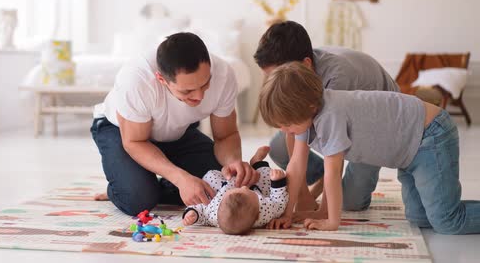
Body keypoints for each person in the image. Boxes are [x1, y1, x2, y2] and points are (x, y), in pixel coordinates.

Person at [259, 62, 480, 234]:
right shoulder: (308, 115)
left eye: (287, 124)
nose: (286, 130)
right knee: (419, 219)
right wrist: (288, 213)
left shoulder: (330, 115)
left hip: (429, 136)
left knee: (447, 221)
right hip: (408, 152)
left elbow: (333, 173)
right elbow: (297, 166)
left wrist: (332, 220)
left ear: (308, 107)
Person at [91, 32, 259, 216]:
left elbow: (225, 135)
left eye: (205, 84)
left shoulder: (224, 74)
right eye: (187, 91)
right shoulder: (136, 80)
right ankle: (125, 189)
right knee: (138, 200)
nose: (199, 96)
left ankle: (149, 185)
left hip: (178, 131)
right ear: (162, 80)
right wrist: (181, 179)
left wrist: (232, 162)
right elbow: (135, 142)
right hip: (123, 133)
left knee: (218, 181)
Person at [253, 21, 399, 212]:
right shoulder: (298, 73)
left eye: (279, 76)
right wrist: (302, 195)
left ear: (306, 64)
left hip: (376, 125)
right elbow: (296, 138)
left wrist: (319, 201)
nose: (276, 84)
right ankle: (325, 175)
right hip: (337, 114)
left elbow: (334, 144)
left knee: (350, 202)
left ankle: (331, 177)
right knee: (280, 146)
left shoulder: (337, 80)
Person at [182, 146, 289, 235]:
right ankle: (257, 162)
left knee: (210, 179)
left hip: (225, 186)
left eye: (241, 188)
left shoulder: (214, 214)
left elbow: (202, 211)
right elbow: (279, 203)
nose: (244, 186)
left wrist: (193, 214)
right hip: (259, 188)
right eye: (247, 190)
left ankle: (238, 175)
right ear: (258, 215)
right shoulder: (265, 212)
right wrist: (277, 183)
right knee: (266, 178)